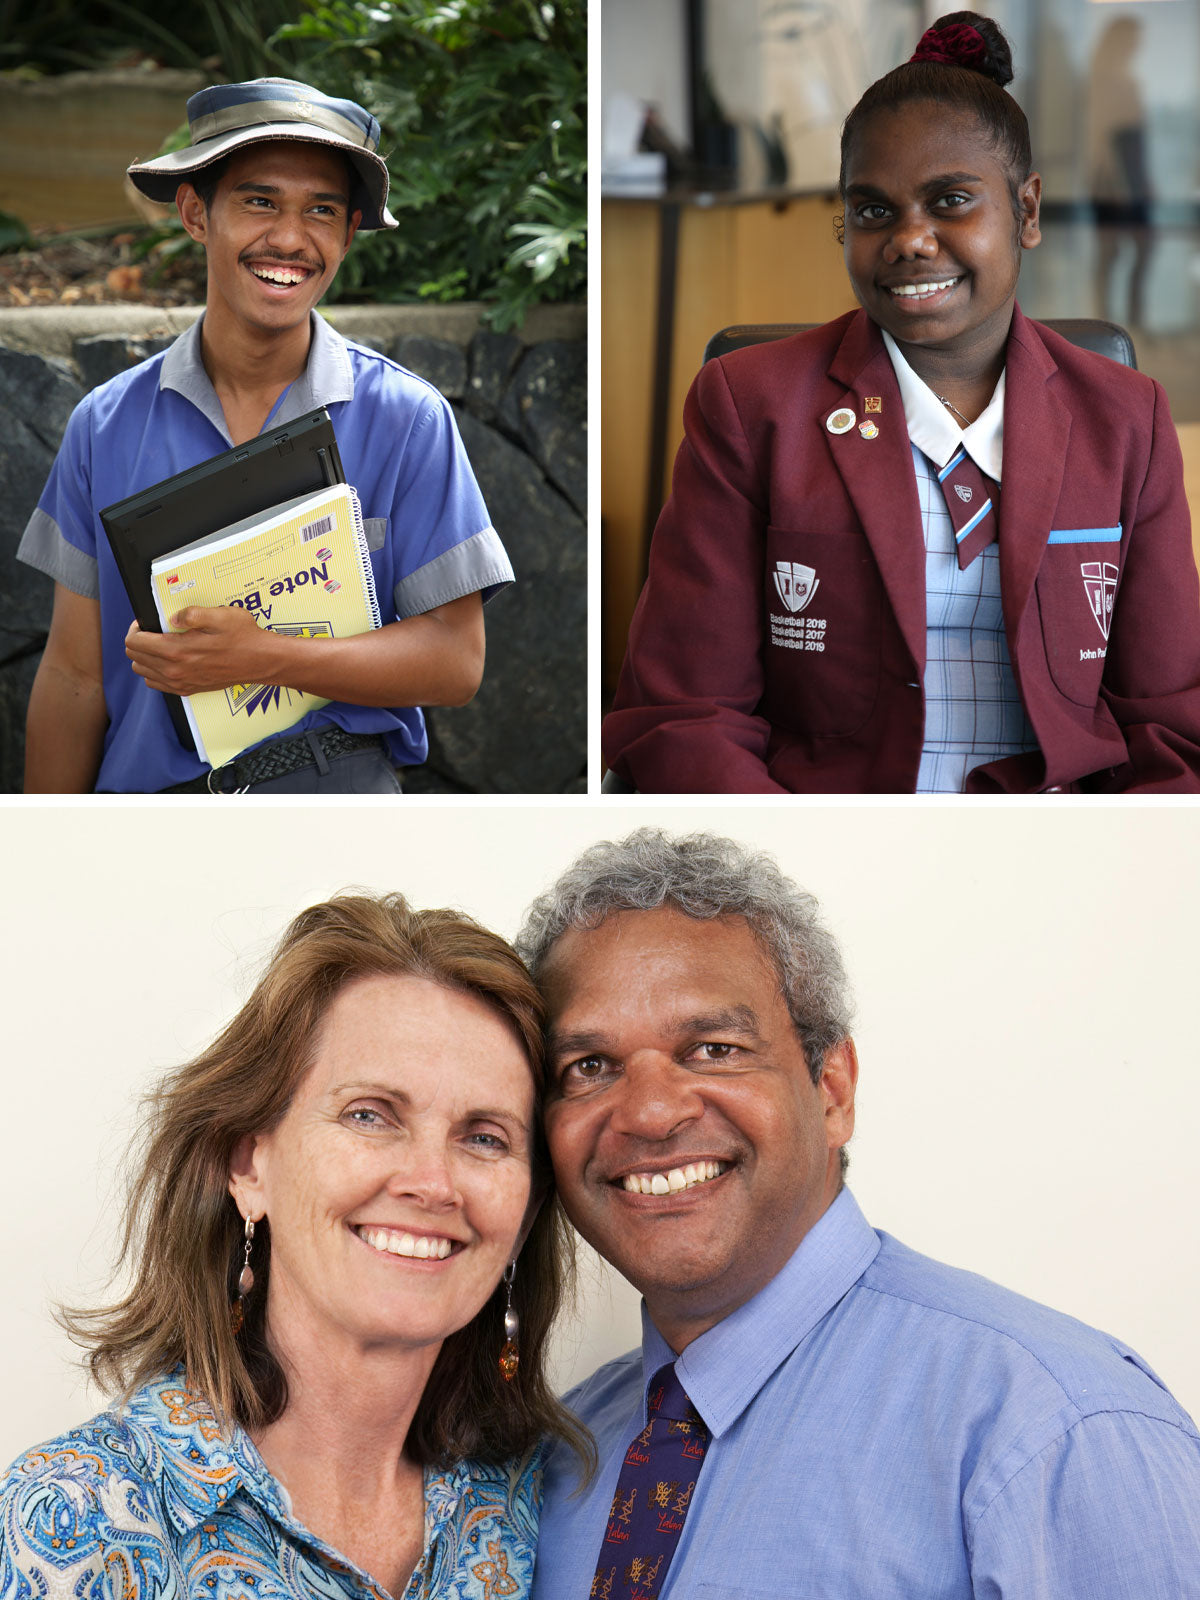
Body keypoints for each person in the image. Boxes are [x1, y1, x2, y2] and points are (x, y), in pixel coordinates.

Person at [516, 828, 1200, 1598]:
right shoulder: (543, 1468)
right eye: (589, 1067)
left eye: (713, 1048)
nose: (648, 1111)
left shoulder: (1056, 1432)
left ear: (833, 1089)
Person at [602, 13, 1200, 793]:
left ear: (1026, 211)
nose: (909, 239)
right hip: (826, 842)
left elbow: (1169, 724)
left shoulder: (1126, 419)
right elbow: (687, 714)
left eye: (950, 200)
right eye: (874, 210)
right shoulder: (752, 408)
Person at [0, 892, 589, 1598]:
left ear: (524, 1213)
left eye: (485, 1138)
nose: (434, 1183)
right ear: (247, 1166)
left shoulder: (538, 1504)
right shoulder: (73, 1520)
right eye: (370, 1115)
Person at [19, 77, 513, 793]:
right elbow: (72, 674)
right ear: (195, 213)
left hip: (336, 800)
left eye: (320, 211)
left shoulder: (408, 418)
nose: (289, 238)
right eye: (259, 202)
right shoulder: (105, 424)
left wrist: (267, 656)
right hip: (149, 817)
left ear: (347, 233)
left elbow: (455, 663)